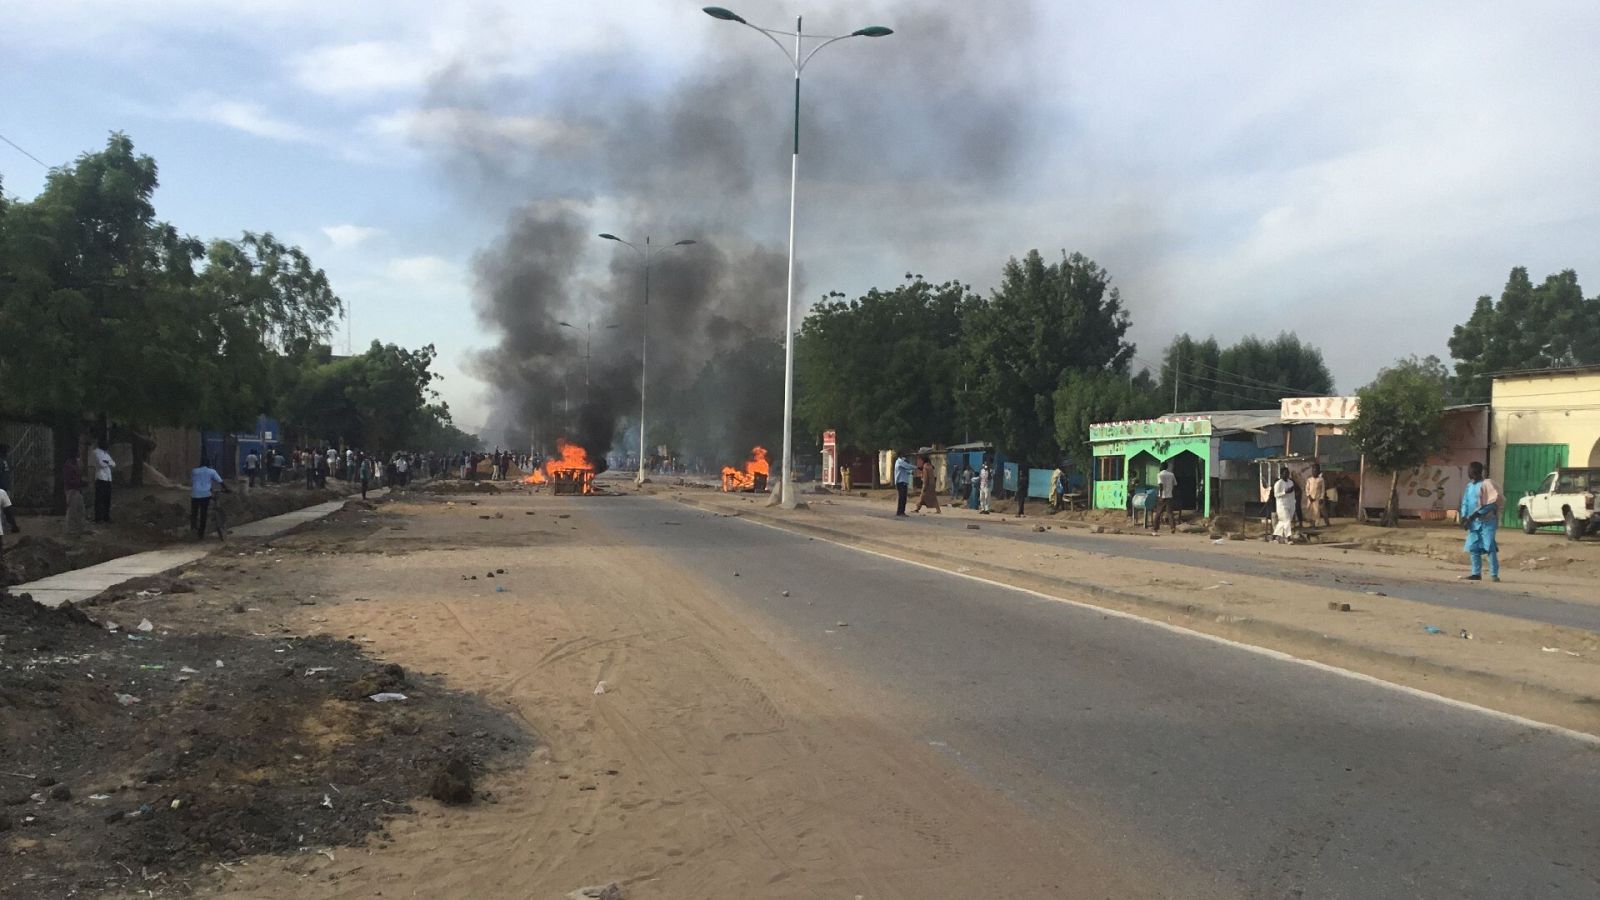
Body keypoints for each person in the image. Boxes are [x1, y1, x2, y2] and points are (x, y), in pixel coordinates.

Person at [1460, 461, 1501, 582]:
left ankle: (1494, 574)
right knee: (1474, 547)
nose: (1469, 472)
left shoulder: (1487, 484)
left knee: (1489, 547)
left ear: (1476, 471)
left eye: (1471, 470)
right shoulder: (1469, 486)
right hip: (1473, 522)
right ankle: (1476, 573)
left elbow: (1492, 503)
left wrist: (1477, 514)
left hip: (1487, 521)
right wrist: (1464, 517)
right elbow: (1465, 502)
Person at [189, 457, 227, 539]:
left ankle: (193, 528)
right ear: (209, 464)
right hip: (205, 495)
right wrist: (226, 489)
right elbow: (221, 481)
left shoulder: (194, 471)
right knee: (203, 513)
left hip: (195, 494)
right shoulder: (212, 471)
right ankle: (201, 534)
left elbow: (193, 481)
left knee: (194, 513)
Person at [63, 452, 88, 538]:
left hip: (76, 490)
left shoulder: (74, 465)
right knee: (72, 511)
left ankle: (78, 529)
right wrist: (79, 483)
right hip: (72, 490)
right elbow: (69, 481)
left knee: (80, 510)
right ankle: (71, 531)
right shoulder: (68, 466)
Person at [1272, 466, 1298, 544]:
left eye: (1288, 473)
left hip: (1290, 504)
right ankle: (1288, 538)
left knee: (1283, 522)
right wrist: (1285, 492)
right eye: (1285, 473)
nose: (1287, 474)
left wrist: (1294, 502)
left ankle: (1275, 536)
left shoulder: (1291, 482)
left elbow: (1293, 493)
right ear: (1281, 474)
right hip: (1282, 505)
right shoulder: (1278, 483)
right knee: (1287, 521)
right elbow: (1276, 495)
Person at [91, 439, 115, 523]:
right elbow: (101, 464)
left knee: (107, 499)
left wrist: (107, 462)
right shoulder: (96, 452)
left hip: (108, 478)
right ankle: (98, 518)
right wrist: (108, 462)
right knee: (99, 499)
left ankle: (106, 517)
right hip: (101, 478)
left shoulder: (106, 453)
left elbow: (113, 464)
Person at [1152, 461, 1177, 533]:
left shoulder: (1159, 474)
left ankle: (1155, 528)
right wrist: (1171, 491)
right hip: (1169, 496)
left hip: (1162, 496)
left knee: (1158, 512)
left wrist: (1160, 495)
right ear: (1167, 467)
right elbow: (1175, 484)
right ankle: (1172, 527)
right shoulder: (1171, 475)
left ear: (1160, 467)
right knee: (1169, 512)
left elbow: (1160, 485)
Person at [0, 444, 19, 534]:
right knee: (7, 508)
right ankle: (12, 526)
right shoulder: (6, 460)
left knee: (5, 508)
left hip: (2, 486)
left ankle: (10, 526)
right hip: (5, 487)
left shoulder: (2, 461)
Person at [1304, 463, 1329, 527]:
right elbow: (1307, 489)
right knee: (1310, 511)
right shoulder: (1309, 479)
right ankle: (1312, 524)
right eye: (1313, 470)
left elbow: (1323, 489)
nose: (1314, 472)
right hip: (1310, 499)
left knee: (1317, 512)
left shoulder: (1321, 479)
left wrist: (1321, 498)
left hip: (1317, 498)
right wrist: (1309, 496)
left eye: (1316, 470)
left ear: (1318, 471)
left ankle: (1316, 524)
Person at [892, 452, 915, 517]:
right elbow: (907, 466)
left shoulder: (901, 463)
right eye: (904, 456)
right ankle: (899, 512)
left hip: (903, 482)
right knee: (901, 498)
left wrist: (910, 472)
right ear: (901, 456)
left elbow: (906, 470)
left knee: (904, 498)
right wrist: (917, 467)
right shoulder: (899, 462)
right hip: (900, 482)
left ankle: (902, 511)